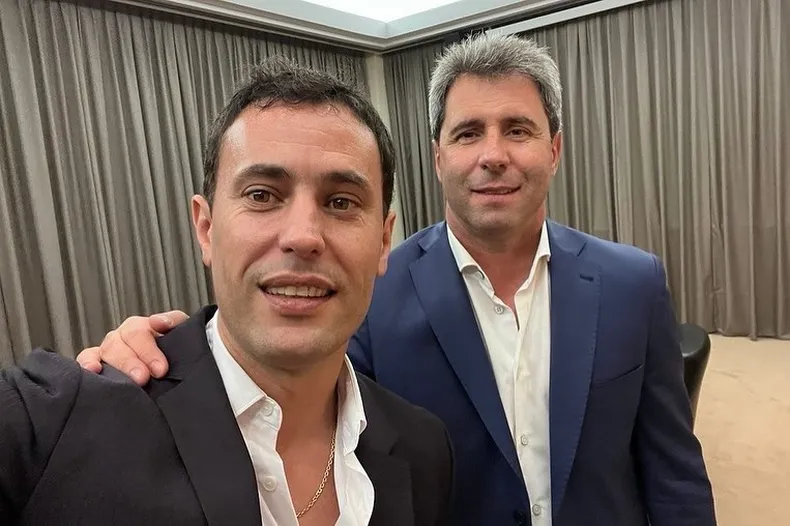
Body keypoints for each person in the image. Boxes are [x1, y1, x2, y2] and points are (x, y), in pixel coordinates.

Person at [78, 33, 716, 526]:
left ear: (554, 149)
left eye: (517, 130)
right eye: (468, 133)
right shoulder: (363, 294)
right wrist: (165, 351)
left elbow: (673, 469)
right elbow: (275, 383)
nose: (493, 154)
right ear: (438, 158)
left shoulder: (634, 282)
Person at [0, 57, 455, 526]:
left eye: (341, 202)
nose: (303, 236)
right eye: (262, 195)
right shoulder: (55, 419)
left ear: (383, 240)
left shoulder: (423, 449)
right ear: (206, 227)